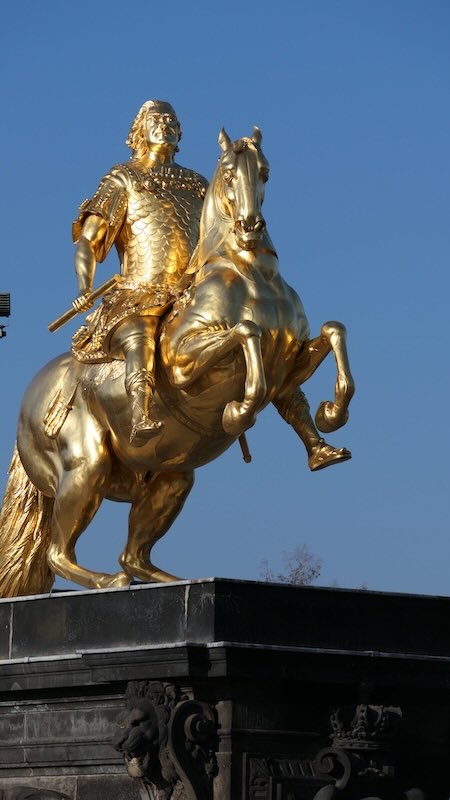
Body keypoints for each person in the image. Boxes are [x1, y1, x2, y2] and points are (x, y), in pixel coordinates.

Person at [71, 100, 208, 444]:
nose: (164, 125)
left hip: (191, 295)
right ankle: (140, 413)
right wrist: (84, 287)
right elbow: (89, 241)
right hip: (139, 296)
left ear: (180, 133)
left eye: (171, 120)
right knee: (140, 335)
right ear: (139, 132)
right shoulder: (124, 178)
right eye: (155, 120)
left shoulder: (198, 185)